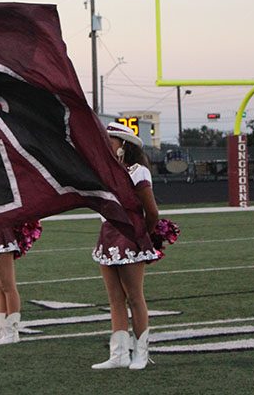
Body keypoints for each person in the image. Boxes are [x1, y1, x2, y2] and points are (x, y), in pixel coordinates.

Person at [90, 122, 160, 370]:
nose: (106, 145)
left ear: (123, 145)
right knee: (115, 299)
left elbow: (151, 211)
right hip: (107, 236)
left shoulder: (138, 171)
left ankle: (141, 353)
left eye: (110, 140)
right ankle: (118, 354)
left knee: (134, 297)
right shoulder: (104, 171)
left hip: (130, 237)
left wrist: (144, 236)